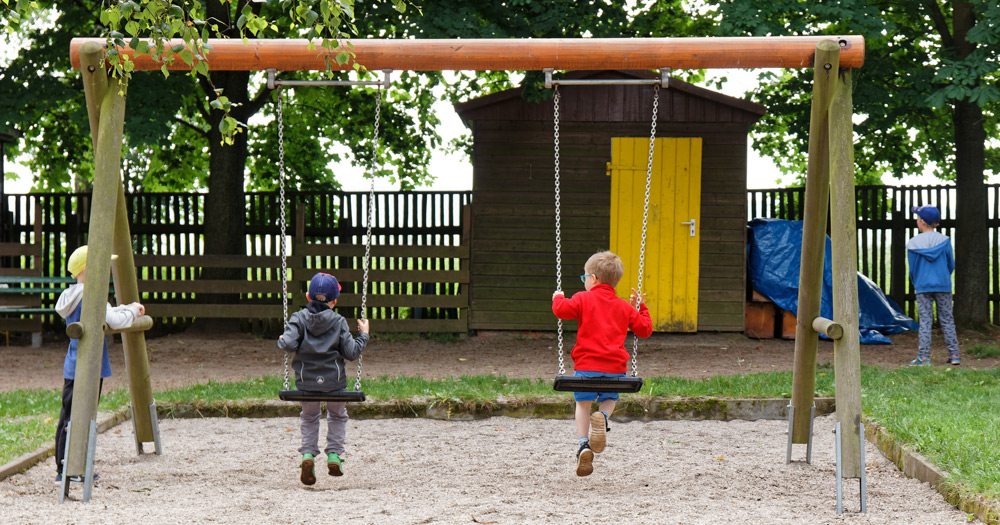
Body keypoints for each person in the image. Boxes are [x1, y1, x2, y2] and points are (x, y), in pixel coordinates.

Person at [551, 251, 653, 477]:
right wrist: (640, 308)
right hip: (615, 370)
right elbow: (645, 329)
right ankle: (603, 417)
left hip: (586, 368)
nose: (584, 281)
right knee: (609, 398)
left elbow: (561, 310)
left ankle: (583, 444)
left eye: (584, 277)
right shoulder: (624, 307)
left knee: (583, 404)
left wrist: (558, 297)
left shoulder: (582, 298)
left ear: (594, 278)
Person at [54, 245, 144, 484]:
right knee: (81, 417)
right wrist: (133, 311)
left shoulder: (73, 295)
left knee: (70, 415)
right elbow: (114, 319)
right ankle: (68, 469)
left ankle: (67, 466)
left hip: (74, 364)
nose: (106, 270)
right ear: (88, 269)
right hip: (91, 365)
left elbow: (109, 311)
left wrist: (127, 308)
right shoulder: (93, 295)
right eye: (102, 265)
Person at [277, 272, 370, 486]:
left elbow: (287, 344)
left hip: (307, 383)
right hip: (334, 383)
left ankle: (308, 455)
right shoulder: (338, 321)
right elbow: (351, 352)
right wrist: (363, 334)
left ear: (308, 297)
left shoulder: (298, 318)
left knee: (309, 417)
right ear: (335, 301)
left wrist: (282, 339)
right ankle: (334, 455)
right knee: (337, 416)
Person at [906, 205, 960, 366]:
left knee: (925, 321)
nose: (917, 221)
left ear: (922, 221)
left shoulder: (913, 244)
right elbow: (951, 264)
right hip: (943, 285)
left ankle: (923, 357)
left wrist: (917, 282)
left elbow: (912, 269)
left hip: (923, 287)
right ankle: (954, 355)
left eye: (917, 218)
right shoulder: (945, 241)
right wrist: (943, 278)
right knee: (947, 319)